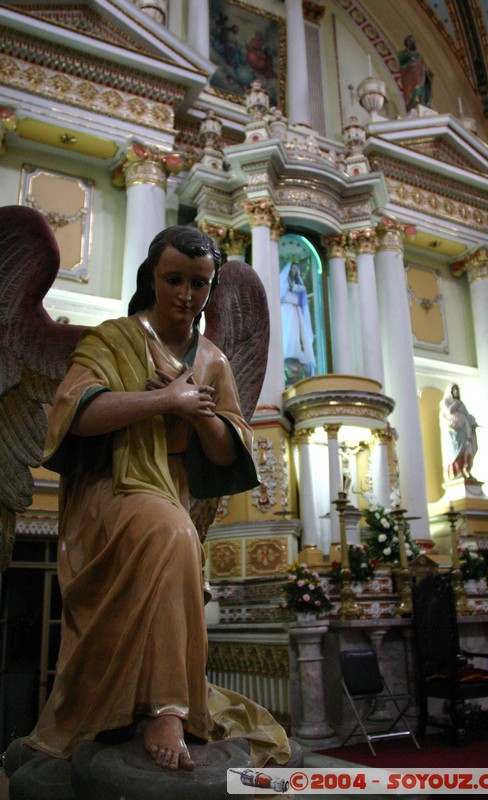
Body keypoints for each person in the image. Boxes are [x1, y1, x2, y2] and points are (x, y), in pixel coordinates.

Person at [24, 226, 291, 771]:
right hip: (111, 491)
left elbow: (229, 451)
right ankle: (166, 711)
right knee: (168, 533)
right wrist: (163, 401)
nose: (187, 295)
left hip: (173, 491)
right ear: (152, 278)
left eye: (200, 283)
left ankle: (160, 705)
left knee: (172, 532)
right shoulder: (111, 339)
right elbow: (75, 415)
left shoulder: (212, 358)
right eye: (175, 279)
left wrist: (199, 416)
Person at [279, 261, 316, 381]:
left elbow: (300, 289)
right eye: (293, 268)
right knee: (289, 333)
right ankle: (289, 355)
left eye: (296, 268)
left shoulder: (298, 282)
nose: (294, 270)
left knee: (299, 335)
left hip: (296, 310)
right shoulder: (286, 281)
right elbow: (286, 290)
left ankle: (299, 356)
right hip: (288, 309)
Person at [440, 383, 479, 481]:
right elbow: (448, 413)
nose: (456, 391)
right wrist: (456, 404)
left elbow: (466, 415)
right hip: (454, 434)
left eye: (457, 389)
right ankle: (457, 472)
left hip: (464, 432)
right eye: (454, 390)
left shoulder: (461, 403)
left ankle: (466, 470)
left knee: (467, 451)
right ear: (450, 391)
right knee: (457, 453)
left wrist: (472, 421)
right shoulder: (445, 402)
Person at [398, 35, 433, 112]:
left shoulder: (419, 56)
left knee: (419, 89)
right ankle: (412, 103)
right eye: (410, 42)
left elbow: (423, 67)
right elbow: (402, 63)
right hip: (409, 77)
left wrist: (428, 73)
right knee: (411, 91)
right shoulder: (403, 53)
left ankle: (419, 100)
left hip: (418, 76)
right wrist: (410, 63)